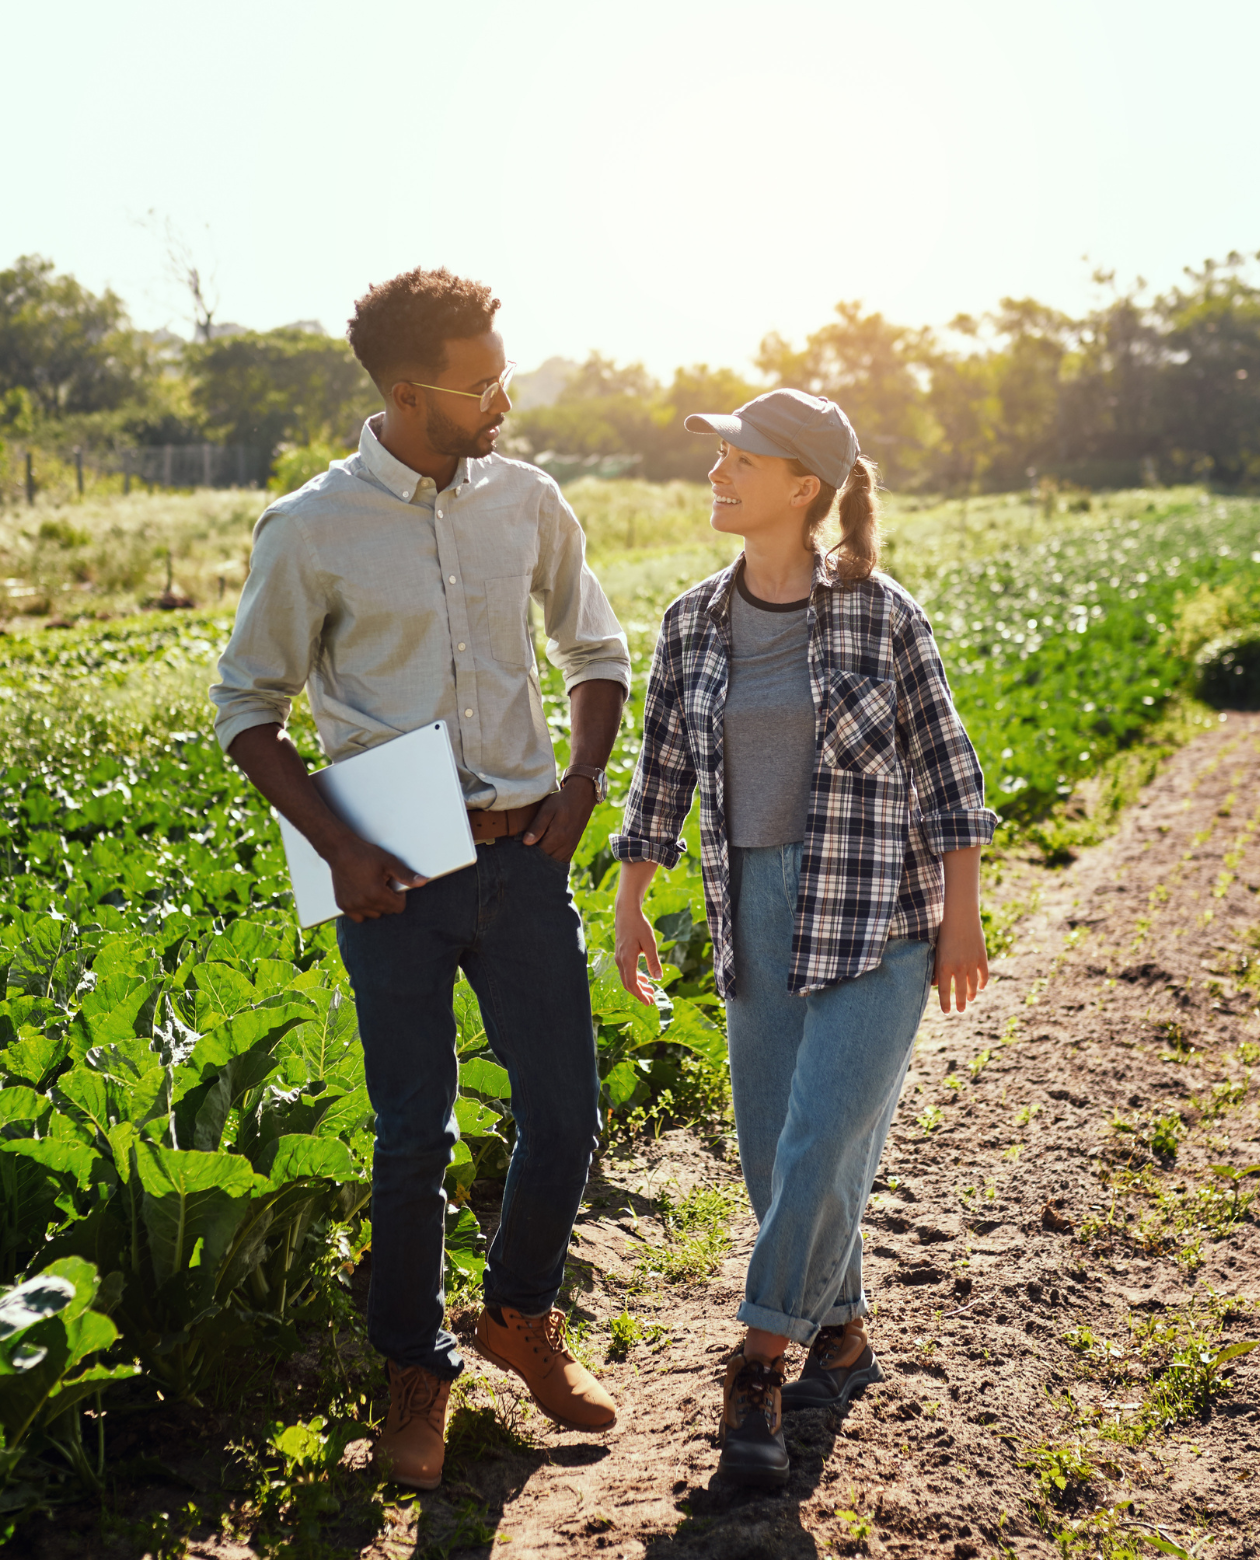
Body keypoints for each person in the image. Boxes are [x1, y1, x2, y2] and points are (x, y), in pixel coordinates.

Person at [211, 267, 630, 1490]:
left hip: (525, 861)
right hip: (395, 875)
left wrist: (584, 782)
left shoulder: (528, 501)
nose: (505, 397)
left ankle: (519, 1318)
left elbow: (593, 644)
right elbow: (247, 711)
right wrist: (341, 846)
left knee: (564, 1114)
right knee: (413, 1137)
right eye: (482, 381)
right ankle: (414, 1372)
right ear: (410, 392)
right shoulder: (310, 527)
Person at [610, 389, 996, 1488]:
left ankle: (758, 1363)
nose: (718, 473)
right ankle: (842, 1329)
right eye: (718, 456)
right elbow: (662, 780)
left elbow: (949, 774)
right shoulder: (692, 622)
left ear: (803, 487)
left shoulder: (883, 614)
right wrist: (633, 899)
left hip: (879, 914)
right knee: (773, 1153)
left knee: (819, 1140)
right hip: (754, 908)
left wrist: (961, 915)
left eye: (743, 458)